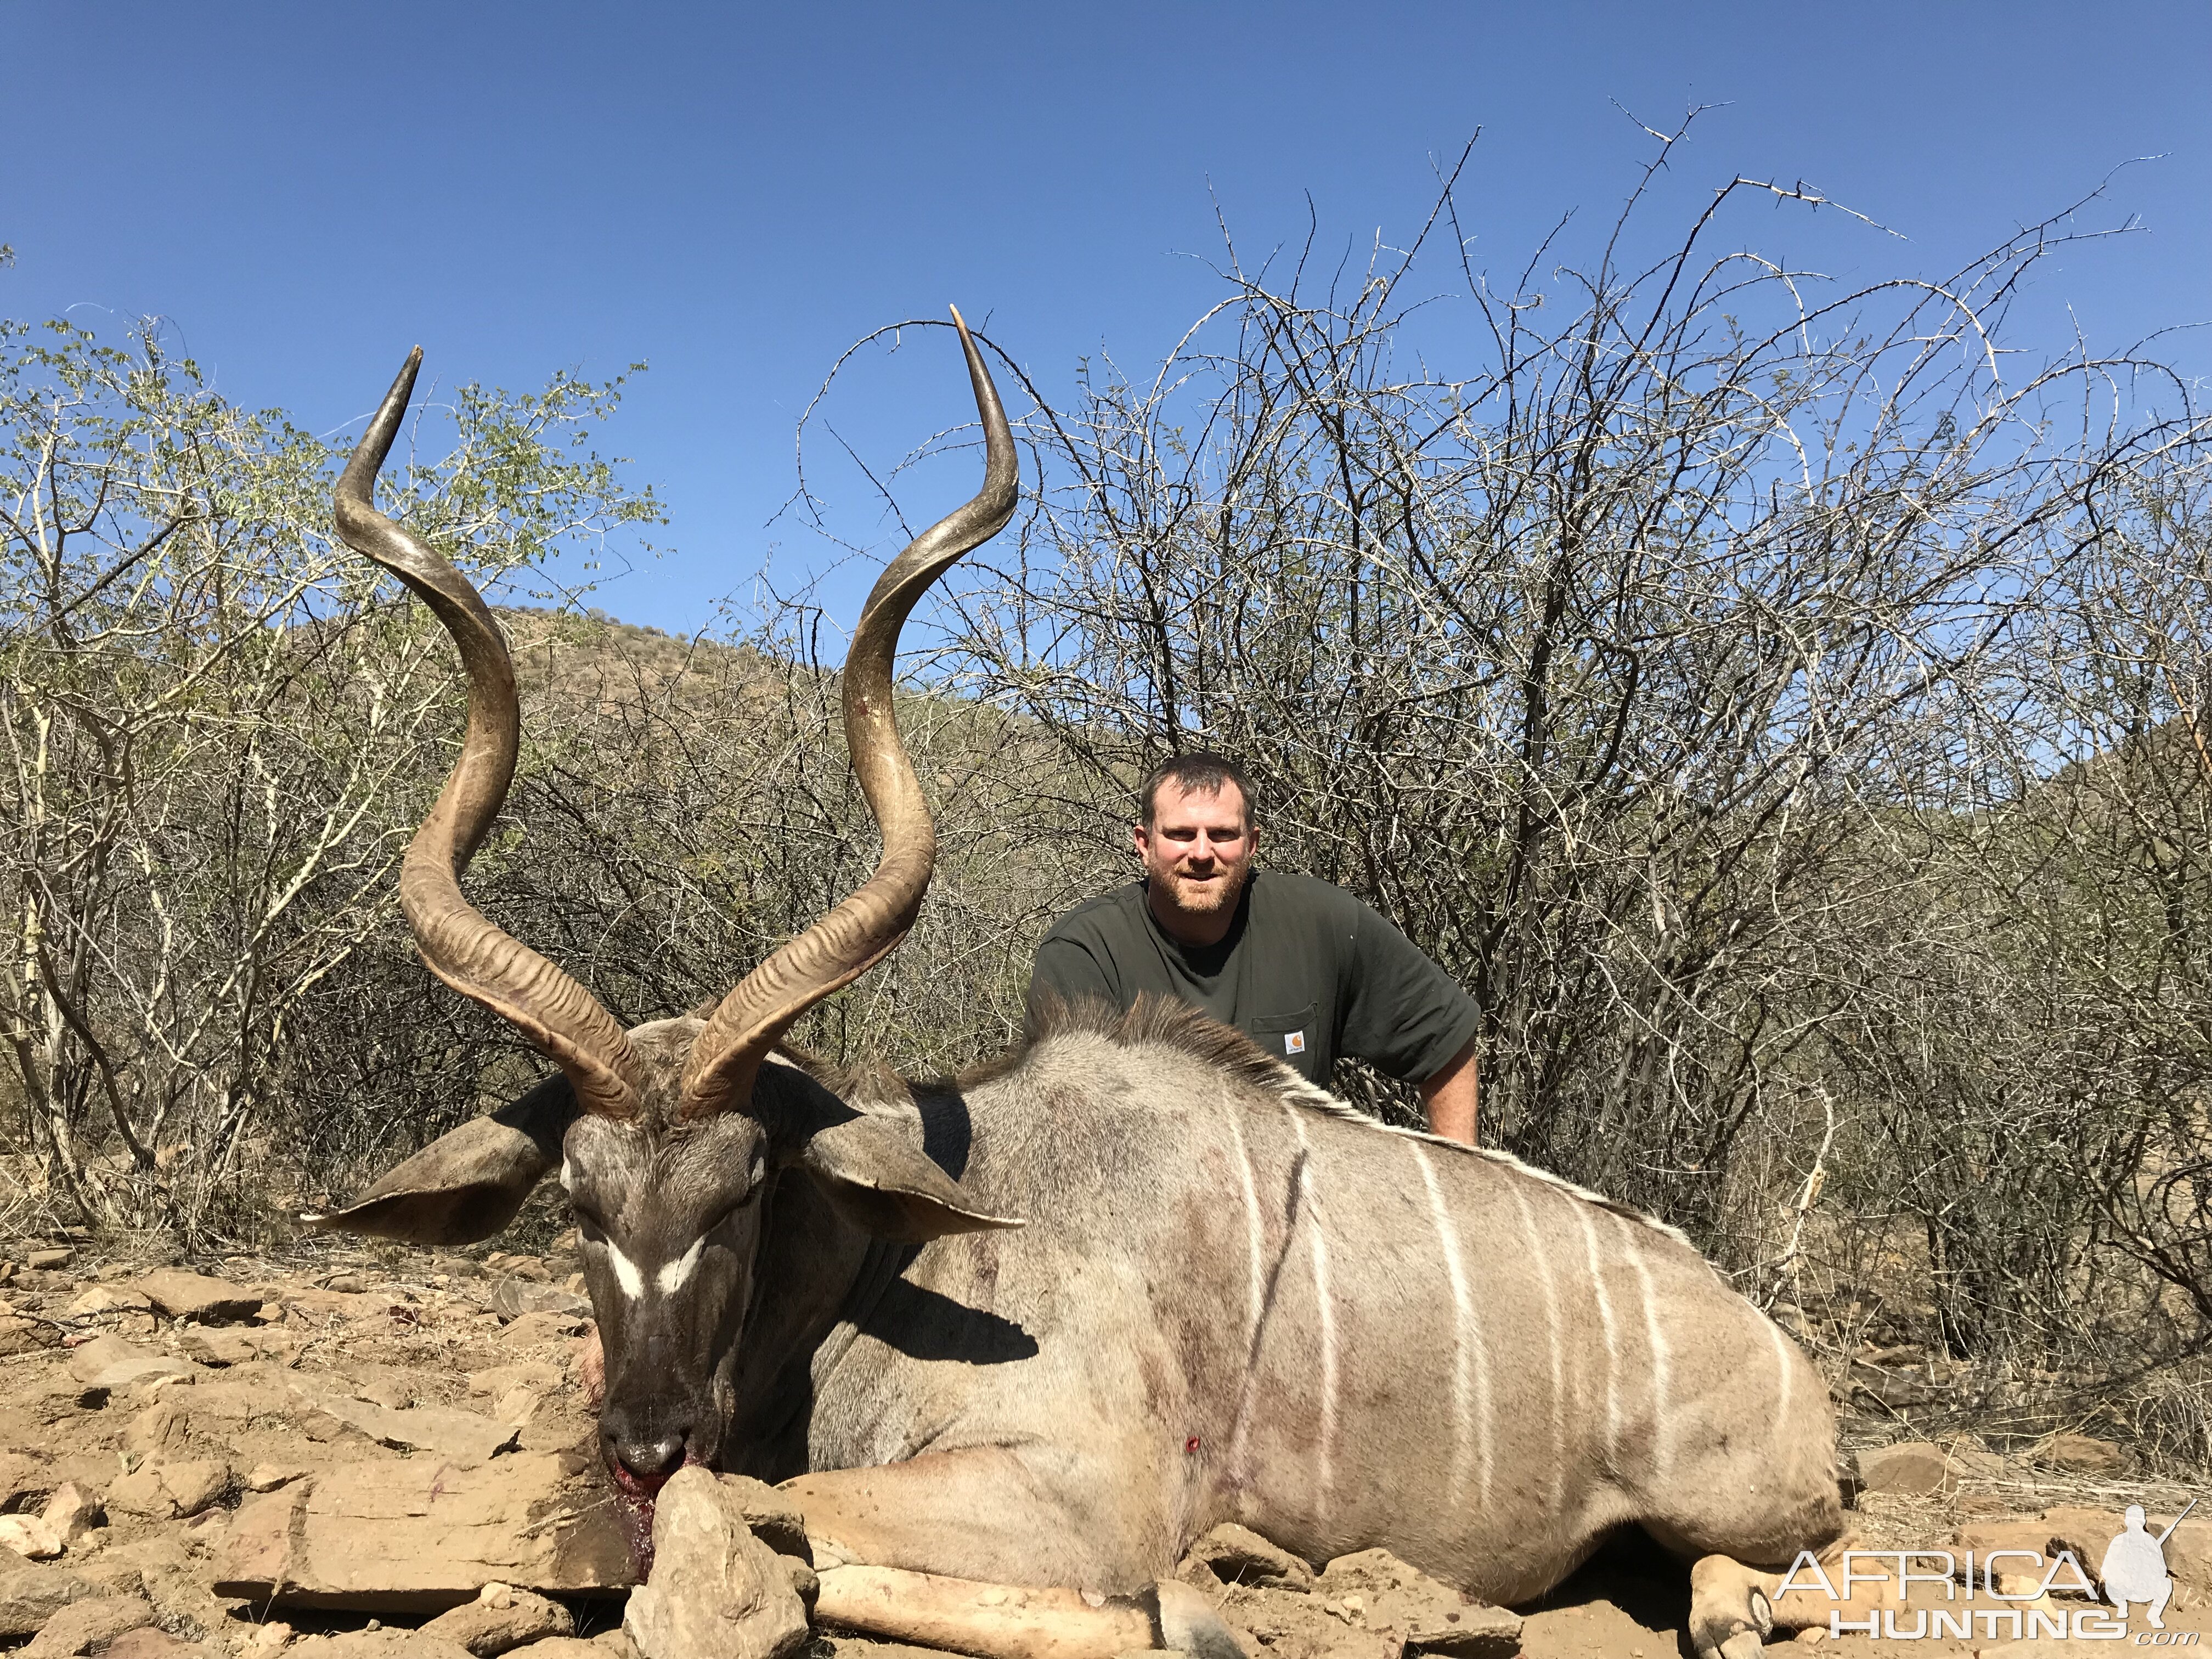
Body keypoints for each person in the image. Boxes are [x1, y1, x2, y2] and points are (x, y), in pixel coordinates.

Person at [1026, 752, 1483, 1143]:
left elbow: (1444, 1038)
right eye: (1181, 834)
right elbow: (1069, 1133)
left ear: (1252, 844)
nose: (1202, 853)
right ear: (1144, 845)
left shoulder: (1322, 923)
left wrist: (1461, 1195)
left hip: (1296, 1217)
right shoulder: (1084, 952)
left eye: (1223, 835)